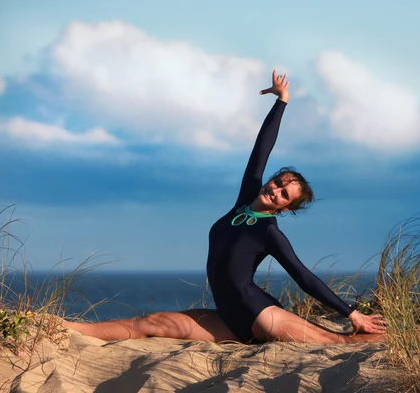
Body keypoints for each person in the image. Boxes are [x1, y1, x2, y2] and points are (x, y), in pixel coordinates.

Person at [64, 70, 387, 344]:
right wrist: (281, 101)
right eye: (278, 182)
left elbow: (304, 277)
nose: (275, 190)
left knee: (343, 343)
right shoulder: (243, 202)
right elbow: (261, 149)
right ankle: (67, 329)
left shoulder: (269, 232)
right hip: (227, 318)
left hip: (262, 316)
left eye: (284, 194)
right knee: (151, 323)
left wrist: (351, 313)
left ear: (286, 208)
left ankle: (398, 337)